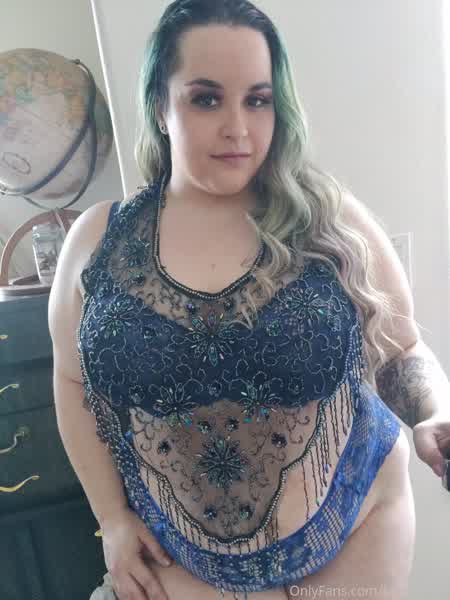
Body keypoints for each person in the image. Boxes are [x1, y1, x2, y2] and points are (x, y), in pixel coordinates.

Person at [48, 1, 450, 599]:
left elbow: (401, 349)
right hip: (180, 556)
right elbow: (71, 381)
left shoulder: (331, 222)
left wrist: (434, 412)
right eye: (207, 98)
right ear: (160, 106)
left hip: (357, 529)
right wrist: (112, 519)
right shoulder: (97, 242)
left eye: (258, 100)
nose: (238, 128)